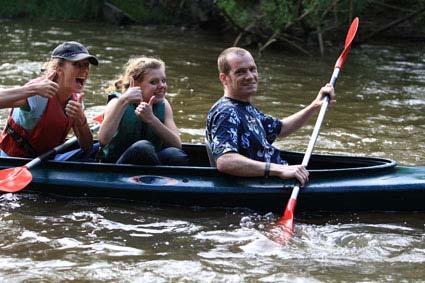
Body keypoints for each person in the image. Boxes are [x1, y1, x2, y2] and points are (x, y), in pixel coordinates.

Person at [206, 47, 335, 186]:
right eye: (240, 72)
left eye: (252, 69)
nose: (250, 76)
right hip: (262, 184)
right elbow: (225, 161)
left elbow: (281, 128)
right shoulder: (225, 112)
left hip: (274, 177)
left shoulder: (245, 107)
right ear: (224, 78)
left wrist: (315, 105)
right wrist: (279, 170)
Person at [0, 41, 97, 158]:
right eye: (77, 64)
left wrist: (81, 120)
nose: (84, 70)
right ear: (59, 68)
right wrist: (32, 89)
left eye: (86, 65)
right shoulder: (37, 95)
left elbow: (88, 147)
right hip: (13, 160)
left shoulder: (76, 100)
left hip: (45, 162)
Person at [97, 56, 188, 165]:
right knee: (143, 147)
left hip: (150, 163)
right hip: (116, 167)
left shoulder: (164, 105)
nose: (162, 86)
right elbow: (103, 140)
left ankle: (157, 178)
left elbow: (177, 145)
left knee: (175, 154)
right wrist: (123, 100)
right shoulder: (117, 103)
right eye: (154, 82)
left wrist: (152, 120)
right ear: (136, 84)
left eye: (163, 81)